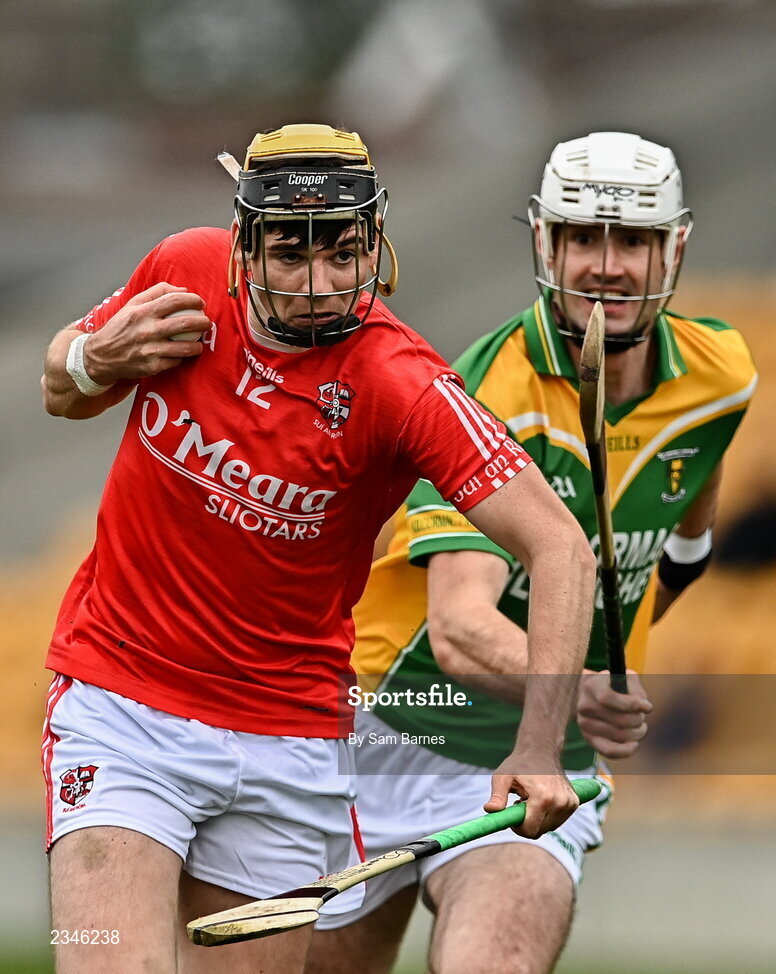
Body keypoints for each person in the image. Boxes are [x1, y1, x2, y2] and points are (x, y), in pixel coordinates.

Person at [39, 123, 597, 974]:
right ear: (242, 247)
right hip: (123, 708)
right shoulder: (182, 272)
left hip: (287, 739)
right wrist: (92, 357)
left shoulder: (400, 383)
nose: (318, 284)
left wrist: (538, 747)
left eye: (342, 253)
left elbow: (561, 546)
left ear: (375, 240)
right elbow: (60, 392)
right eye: (289, 255)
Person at [307, 131, 757, 974]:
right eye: (584, 238)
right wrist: (584, 684)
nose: (607, 266)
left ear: (677, 249)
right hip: (385, 731)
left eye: (635, 241)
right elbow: (458, 627)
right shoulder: (487, 393)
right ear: (545, 242)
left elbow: (689, 531)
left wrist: (652, 609)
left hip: (543, 766)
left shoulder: (721, 374)